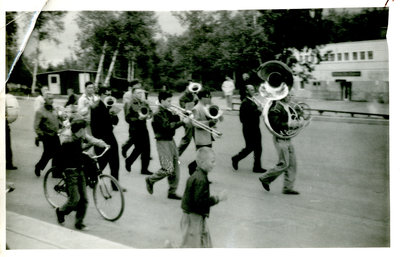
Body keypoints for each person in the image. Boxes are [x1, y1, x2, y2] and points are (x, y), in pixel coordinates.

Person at [55, 119, 108, 231]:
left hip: (80, 170)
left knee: (84, 199)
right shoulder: (69, 142)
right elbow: (77, 151)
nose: (85, 131)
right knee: (75, 199)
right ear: (79, 131)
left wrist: (99, 143)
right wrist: (88, 148)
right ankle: (61, 211)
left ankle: (79, 223)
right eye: (84, 129)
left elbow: (86, 143)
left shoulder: (79, 137)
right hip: (71, 171)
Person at [180, 147, 227, 248]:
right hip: (194, 218)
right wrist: (217, 198)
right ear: (201, 162)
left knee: (196, 243)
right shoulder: (201, 179)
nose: (214, 164)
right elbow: (199, 202)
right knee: (194, 245)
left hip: (191, 216)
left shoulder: (197, 175)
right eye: (212, 161)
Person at [145, 90, 188, 200]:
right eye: (168, 101)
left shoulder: (167, 111)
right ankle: (150, 180)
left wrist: (180, 115)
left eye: (171, 100)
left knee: (175, 167)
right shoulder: (158, 113)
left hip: (170, 141)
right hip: (162, 142)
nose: (171, 103)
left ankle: (172, 191)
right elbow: (167, 126)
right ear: (162, 100)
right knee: (167, 168)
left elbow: (174, 121)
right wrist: (182, 121)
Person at [258, 93, 301, 195]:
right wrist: (290, 125)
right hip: (280, 138)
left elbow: (292, 119)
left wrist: (299, 121)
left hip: (287, 137)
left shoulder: (288, 106)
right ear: (282, 96)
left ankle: (288, 188)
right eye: (288, 95)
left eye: (291, 95)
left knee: (292, 163)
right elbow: (275, 124)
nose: (290, 97)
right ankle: (265, 178)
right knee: (284, 163)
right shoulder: (276, 107)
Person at [90, 87, 126, 191]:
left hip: (110, 136)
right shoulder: (96, 106)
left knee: (115, 162)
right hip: (101, 137)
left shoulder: (109, 105)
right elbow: (95, 126)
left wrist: (113, 115)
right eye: (107, 94)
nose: (109, 96)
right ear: (101, 94)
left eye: (110, 94)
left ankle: (115, 185)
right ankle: (92, 179)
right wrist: (98, 141)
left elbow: (115, 122)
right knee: (102, 162)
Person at [231, 84, 267, 173]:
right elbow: (243, 118)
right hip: (249, 129)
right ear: (247, 91)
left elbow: (255, 113)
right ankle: (236, 158)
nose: (253, 90)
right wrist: (257, 111)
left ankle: (257, 167)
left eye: (253, 89)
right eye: (251, 89)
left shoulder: (253, 100)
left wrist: (259, 110)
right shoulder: (245, 102)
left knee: (258, 148)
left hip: (255, 127)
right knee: (250, 148)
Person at [187, 89, 222, 175]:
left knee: (206, 158)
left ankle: (202, 176)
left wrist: (214, 123)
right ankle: (192, 169)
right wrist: (209, 122)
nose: (210, 99)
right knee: (202, 158)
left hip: (207, 137)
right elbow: (195, 123)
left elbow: (210, 120)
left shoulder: (206, 108)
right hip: (201, 138)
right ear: (202, 98)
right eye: (208, 97)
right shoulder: (196, 109)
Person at [124, 82, 153, 175]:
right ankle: (129, 161)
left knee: (147, 148)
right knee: (139, 148)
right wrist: (137, 119)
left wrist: (149, 115)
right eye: (138, 93)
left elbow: (150, 112)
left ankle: (144, 169)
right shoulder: (129, 103)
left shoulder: (144, 102)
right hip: (135, 128)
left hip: (143, 127)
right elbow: (127, 118)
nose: (141, 95)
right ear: (133, 94)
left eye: (141, 93)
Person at [33, 93, 61, 177]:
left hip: (55, 134)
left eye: (52, 99)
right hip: (46, 135)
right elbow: (36, 126)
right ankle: (38, 166)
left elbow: (57, 119)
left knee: (58, 153)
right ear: (45, 100)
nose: (52, 101)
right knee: (48, 154)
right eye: (49, 99)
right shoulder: (40, 111)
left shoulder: (54, 109)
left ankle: (56, 172)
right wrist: (41, 135)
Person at [177, 83, 198, 156]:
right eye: (193, 90)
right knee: (187, 139)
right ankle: (176, 154)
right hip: (187, 118)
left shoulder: (195, 95)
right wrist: (193, 102)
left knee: (198, 138)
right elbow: (185, 108)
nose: (195, 92)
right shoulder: (183, 97)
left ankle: (201, 155)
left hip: (195, 117)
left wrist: (196, 99)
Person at [5, 86, 19, 170]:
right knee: (7, 145)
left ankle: (9, 163)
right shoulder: (7, 99)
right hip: (4, 125)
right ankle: (9, 164)